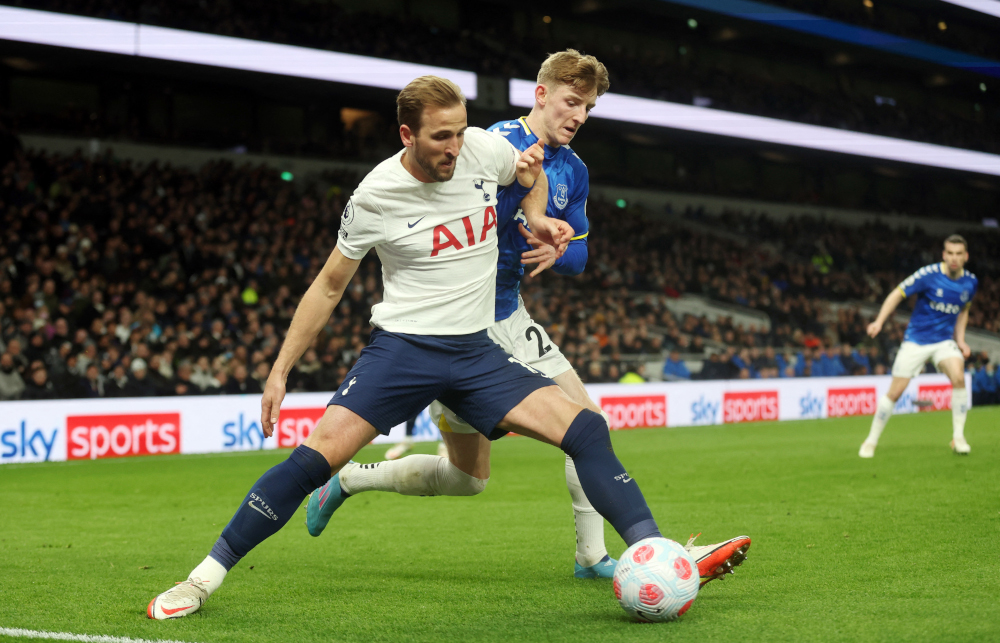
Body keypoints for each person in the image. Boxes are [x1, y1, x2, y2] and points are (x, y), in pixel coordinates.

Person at [148, 75, 712, 620]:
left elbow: (530, 165)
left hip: (476, 352)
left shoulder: (482, 151)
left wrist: (537, 218)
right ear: (406, 136)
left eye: (460, 132)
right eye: (441, 136)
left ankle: (651, 553)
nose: (455, 147)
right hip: (404, 350)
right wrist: (280, 370)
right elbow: (328, 285)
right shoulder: (375, 194)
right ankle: (201, 580)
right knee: (313, 460)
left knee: (586, 430)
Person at [304, 51, 749, 582]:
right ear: (541, 95)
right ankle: (348, 479)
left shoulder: (575, 171)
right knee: (472, 477)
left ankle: (592, 557)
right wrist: (521, 220)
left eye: (588, 107)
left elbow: (581, 255)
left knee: (571, 431)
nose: (579, 115)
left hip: (511, 315)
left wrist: (557, 248)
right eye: (571, 102)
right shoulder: (491, 144)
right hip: (457, 325)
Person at [859, 235, 977, 458]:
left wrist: (960, 340)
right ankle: (870, 441)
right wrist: (879, 321)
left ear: (966, 256)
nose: (954, 258)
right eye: (949, 253)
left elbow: (964, 310)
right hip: (916, 341)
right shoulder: (928, 275)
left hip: (943, 342)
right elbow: (897, 293)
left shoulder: (971, 282)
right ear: (943, 254)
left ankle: (959, 438)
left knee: (959, 377)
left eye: (958, 254)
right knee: (895, 393)